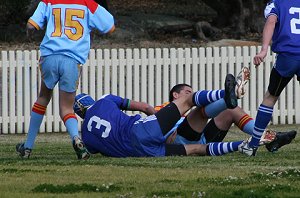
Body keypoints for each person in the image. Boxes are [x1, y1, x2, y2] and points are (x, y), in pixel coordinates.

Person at [16, 0, 115, 160]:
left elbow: (31, 25)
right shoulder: (87, 3)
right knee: (66, 108)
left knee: (43, 98)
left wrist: (31, 33)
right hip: (72, 61)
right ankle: (76, 139)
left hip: (50, 56)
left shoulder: (49, 1)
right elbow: (109, 26)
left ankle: (27, 146)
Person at [73, 74, 248, 157]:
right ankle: (224, 95)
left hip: (142, 152)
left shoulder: (86, 136)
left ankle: (244, 145)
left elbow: (96, 150)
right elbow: (143, 107)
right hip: (142, 131)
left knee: (196, 150)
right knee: (191, 103)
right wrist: (158, 119)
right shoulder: (103, 101)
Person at [156, 82, 296, 153]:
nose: (191, 95)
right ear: (175, 95)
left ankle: (271, 138)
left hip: (201, 137)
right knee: (200, 111)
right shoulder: (161, 109)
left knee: (231, 110)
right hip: (178, 141)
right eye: (187, 92)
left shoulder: (190, 111)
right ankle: (227, 97)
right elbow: (153, 130)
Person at [239, 0, 300, 156]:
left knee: (270, 97)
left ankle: (252, 146)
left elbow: (271, 22)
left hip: (288, 55)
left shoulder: (276, 3)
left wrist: (264, 49)